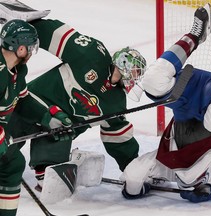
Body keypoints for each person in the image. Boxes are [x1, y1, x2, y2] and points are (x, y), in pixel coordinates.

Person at [0, 0, 147, 192]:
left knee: (52, 175)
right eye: (134, 73)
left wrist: (132, 169)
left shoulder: (116, 102)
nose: (134, 79)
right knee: (5, 152)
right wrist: (27, 27)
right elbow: (58, 35)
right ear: (123, 66)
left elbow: (119, 138)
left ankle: (45, 167)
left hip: (57, 130)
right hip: (32, 104)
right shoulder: (92, 54)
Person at [120, 4, 211, 203]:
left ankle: (195, 35)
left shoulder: (167, 168)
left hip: (184, 100)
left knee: (152, 82)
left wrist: (137, 189)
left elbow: (132, 176)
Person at [0, 19, 74, 216]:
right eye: (31, 48)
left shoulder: (16, 70)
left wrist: (47, 116)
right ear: (21, 48)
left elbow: (23, 100)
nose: (32, 53)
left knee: (13, 164)